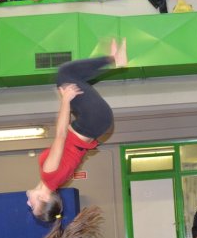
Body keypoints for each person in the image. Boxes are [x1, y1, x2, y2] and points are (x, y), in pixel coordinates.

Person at [26, 40, 127, 224]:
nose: (28, 202)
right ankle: (113, 59)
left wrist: (66, 100)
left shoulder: (55, 181)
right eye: (32, 206)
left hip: (93, 124)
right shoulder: (49, 174)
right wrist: (65, 101)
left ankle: (114, 59)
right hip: (94, 119)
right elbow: (61, 135)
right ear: (44, 199)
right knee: (65, 75)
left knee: (66, 80)